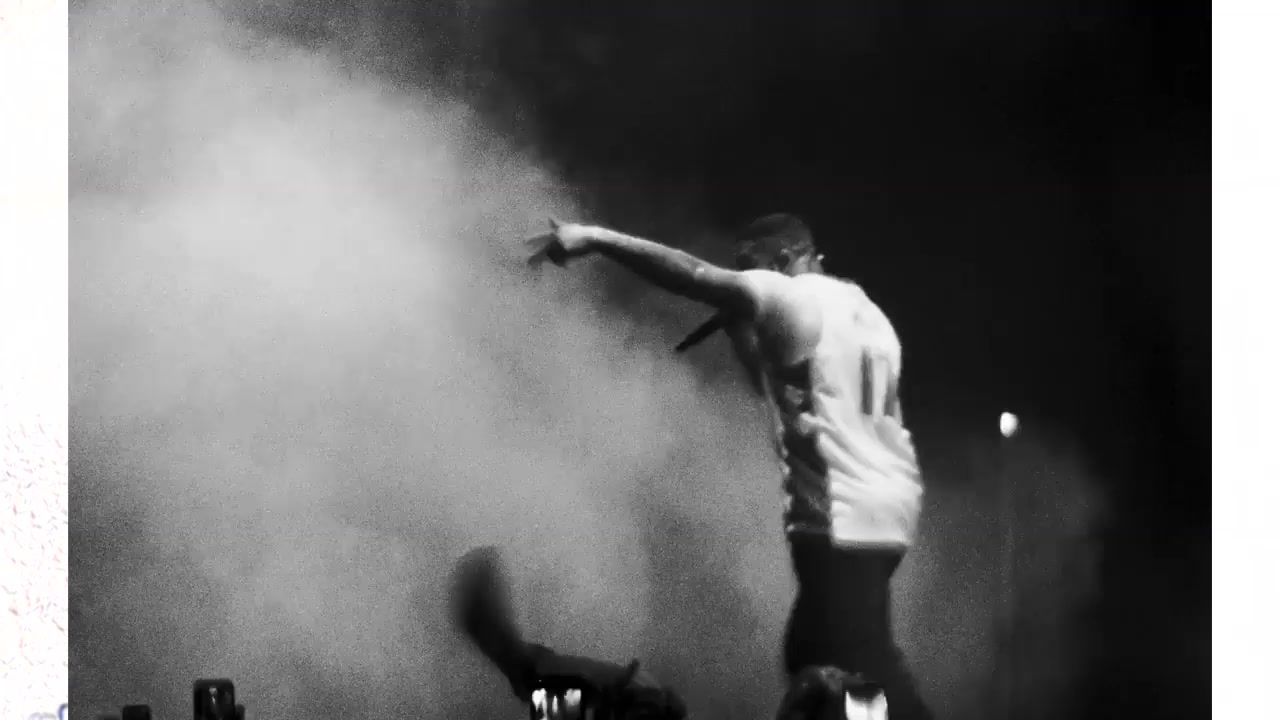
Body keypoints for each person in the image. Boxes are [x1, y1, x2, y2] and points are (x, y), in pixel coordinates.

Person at [525, 214, 932, 719]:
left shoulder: (792, 296)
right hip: (883, 519)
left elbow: (693, 274)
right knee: (823, 661)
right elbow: (780, 390)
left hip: (839, 523)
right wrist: (743, 329)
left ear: (783, 259)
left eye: (747, 265)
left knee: (853, 668)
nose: (741, 277)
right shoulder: (861, 310)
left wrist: (595, 238)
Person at [449, 546, 688, 720]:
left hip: (626, 694)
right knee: (530, 673)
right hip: (625, 692)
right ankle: (483, 604)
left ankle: (483, 605)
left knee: (529, 674)